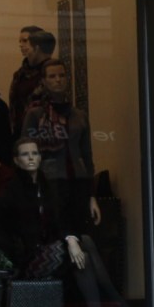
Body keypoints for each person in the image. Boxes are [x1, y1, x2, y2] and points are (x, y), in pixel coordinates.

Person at [0, 139, 131, 307]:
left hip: (48, 249)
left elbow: (60, 221)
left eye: (35, 153)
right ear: (17, 161)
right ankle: (112, 306)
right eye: (25, 155)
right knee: (82, 247)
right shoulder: (12, 189)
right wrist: (11, 248)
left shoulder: (45, 185)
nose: (32, 158)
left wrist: (70, 239)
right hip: (30, 258)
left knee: (82, 248)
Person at [20, 57, 101, 229]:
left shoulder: (79, 116)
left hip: (78, 182)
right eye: (52, 76)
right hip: (49, 182)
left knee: (79, 234)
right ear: (43, 81)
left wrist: (91, 195)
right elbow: (26, 155)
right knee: (54, 234)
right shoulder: (36, 115)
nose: (58, 80)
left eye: (62, 75)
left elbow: (87, 155)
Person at [8, 26, 53, 137]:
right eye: (20, 41)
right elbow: (13, 106)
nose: (21, 44)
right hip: (20, 133)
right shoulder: (19, 74)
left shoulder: (52, 72)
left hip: (44, 133)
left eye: (25, 40)